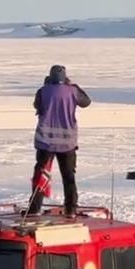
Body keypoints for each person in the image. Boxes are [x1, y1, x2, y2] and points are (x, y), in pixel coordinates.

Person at [29, 65, 91, 214]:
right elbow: (86, 102)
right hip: (67, 142)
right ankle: (70, 209)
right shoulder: (72, 91)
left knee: (41, 175)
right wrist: (73, 86)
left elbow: (37, 105)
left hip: (45, 141)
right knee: (68, 176)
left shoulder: (42, 91)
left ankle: (34, 209)